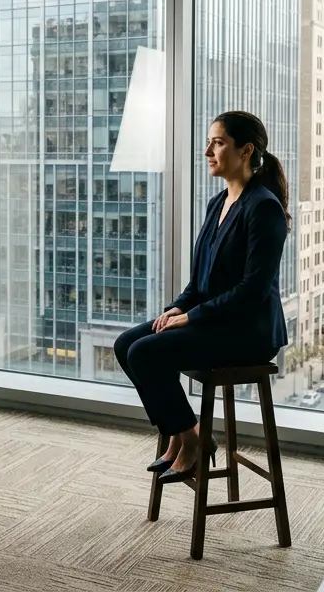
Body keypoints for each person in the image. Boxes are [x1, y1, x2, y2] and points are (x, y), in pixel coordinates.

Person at [115, 110, 291, 483]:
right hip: (215, 320)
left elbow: (252, 291)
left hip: (249, 331)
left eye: (218, 142)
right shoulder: (218, 203)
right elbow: (200, 281)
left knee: (144, 353)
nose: (208, 151)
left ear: (246, 150)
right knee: (125, 344)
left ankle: (191, 441)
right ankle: (186, 434)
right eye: (209, 142)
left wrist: (191, 318)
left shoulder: (263, 207)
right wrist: (178, 307)